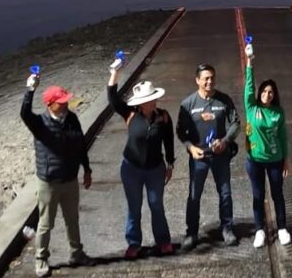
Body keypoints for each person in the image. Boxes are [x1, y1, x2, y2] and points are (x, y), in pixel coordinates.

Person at [20, 73, 92, 277]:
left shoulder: (72, 119)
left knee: (73, 220)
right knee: (45, 224)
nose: (65, 104)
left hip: (70, 180)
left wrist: (86, 169)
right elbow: (25, 113)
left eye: (65, 100)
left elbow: (81, 145)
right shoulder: (39, 124)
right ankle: (41, 259)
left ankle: (76, 253)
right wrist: (30, 90)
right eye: (61, 102)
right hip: (49, 183)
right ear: (50, 104)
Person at [106, 61, 176, 259]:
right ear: (140, 102)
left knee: (156, 205)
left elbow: (169, 141)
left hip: (155, 169)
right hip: (131, 169)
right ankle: (134, 244)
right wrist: (114, 73)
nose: (153, 102)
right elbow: (112, 99)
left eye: (154, 98)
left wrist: (170, 163)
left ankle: (163, 242)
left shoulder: (164, 117)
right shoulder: (130, 114)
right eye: (149, 99)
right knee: (134, 208)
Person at [177, 64, 242, 250]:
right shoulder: (188, 104)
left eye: (212, 77)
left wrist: (226, 140)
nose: (209, 81)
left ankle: (227, 229)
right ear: (197, 80)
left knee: (225, 193)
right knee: (194, 195)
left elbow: (235, 123)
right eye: (205, 78)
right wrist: (190, 148)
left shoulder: (223, 100)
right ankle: (191, 233)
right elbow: (181, 131)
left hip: (220, 156)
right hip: (199, 158)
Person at [242, 40, 291, 249]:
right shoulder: (252, 108)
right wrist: (249, 63)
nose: (267, 94)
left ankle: (282, 228)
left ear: (274, 95)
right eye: (264, 91)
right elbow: (249, 85)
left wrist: (286, 160)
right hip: (254, 161)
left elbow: (283, 137)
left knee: (277, 194)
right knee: (258, 195)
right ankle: (260, 230)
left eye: (270, 92)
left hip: (275, 161)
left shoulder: (278, 113)